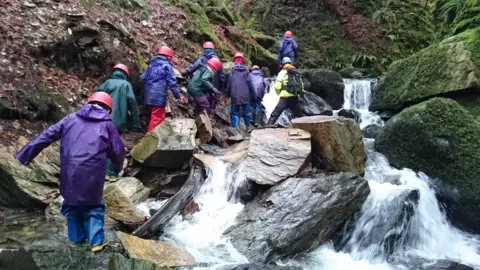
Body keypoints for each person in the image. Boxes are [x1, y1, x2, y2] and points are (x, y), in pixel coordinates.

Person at [14, 92, 126, 253]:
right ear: (108, 109)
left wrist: (26, 153)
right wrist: (117, 167)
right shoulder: (107, 125)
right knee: (93, 206)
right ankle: (96, 241)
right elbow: (118, 150)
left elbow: (46, 136)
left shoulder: (71, 119)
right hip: (93, 174)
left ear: (88, 103)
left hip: (70, 171)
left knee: (72, 204)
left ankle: (76, 239)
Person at [142, 46, 187, 133]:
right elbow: (172, 83)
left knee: (159, 116)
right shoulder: (167, 66)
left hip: (148, 94)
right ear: (168, 56)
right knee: (157, 117)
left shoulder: (151, 65)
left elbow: (143, 77)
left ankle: (158, 136)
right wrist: (178, 96)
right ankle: (149, 139)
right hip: (158, 95)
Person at [182, 42, 226, 115]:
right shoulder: (217, 61)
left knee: (202, 98)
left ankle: (198, 114)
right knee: (210, 100)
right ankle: (208, 117)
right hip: (213, 83)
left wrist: (185, 73)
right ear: (213, 50)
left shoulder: (202, 59)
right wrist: (220, 88)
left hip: (202, 84)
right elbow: (222, 76)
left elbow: (192, 68)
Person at [96, 63, 142, 133]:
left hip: (102, 121)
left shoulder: (107, 83)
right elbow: (133, 105)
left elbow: (96, 98)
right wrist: (136, 125)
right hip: (118, 126)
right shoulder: (126, 85)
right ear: (126, 74)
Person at [267, 57, 304, 125]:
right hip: (295, 97)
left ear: (283, 64)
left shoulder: (282, 73)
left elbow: (277, 86)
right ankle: (305, 127)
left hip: (285, 97)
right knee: (299, 116)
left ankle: (268, 127)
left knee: (275, 114)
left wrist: (278, 93)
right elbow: (301, 85)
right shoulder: (296, 72)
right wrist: (297, 93)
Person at [226, 52, 256, 128]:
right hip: (246, 96)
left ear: (234, 61)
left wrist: (227, 95)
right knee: (246, 113)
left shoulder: (232, 71)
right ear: (242, 61)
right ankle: (248, 127)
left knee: (234, 113)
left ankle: (235, 129)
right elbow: (251, 84)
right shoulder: (246, 71)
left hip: (235, 95)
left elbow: (229, 84)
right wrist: (254, 94)